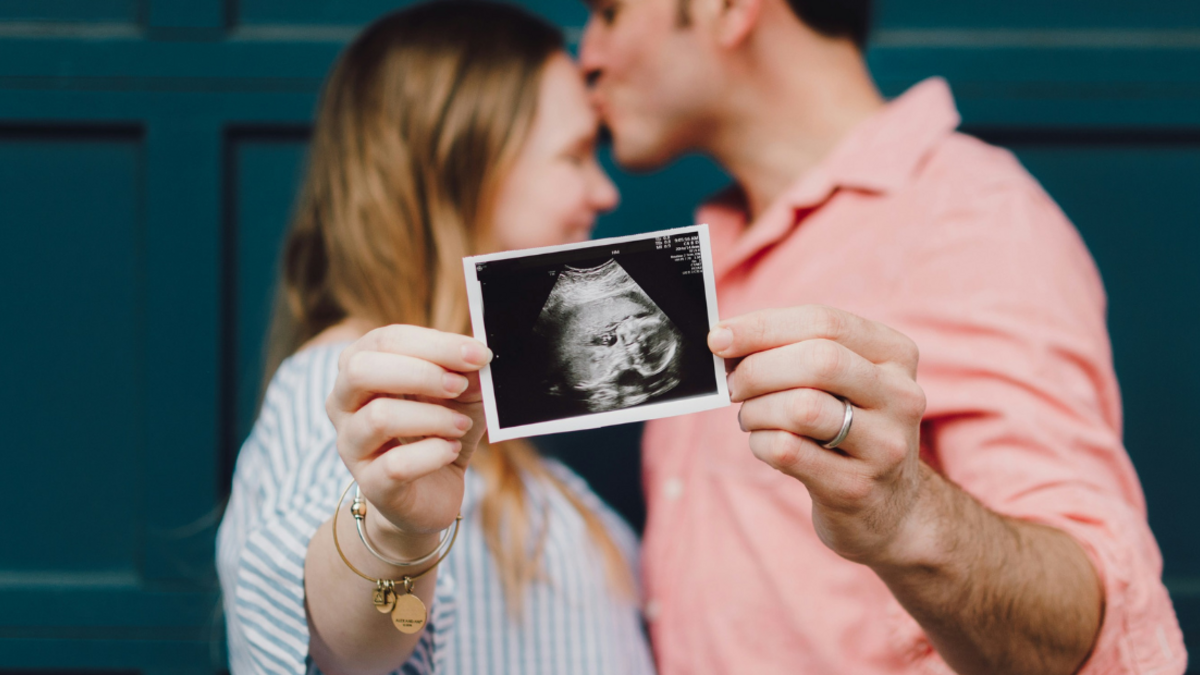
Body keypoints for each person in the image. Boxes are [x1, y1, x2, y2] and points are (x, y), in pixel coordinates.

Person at [579, 0, 1187, 673]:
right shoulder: (703, 253)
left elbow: (1085, 622)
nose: (589, 57)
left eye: (609, 12)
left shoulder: (970, 219)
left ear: (729, 9)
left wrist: (905, 515)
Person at [215, 3, 657, 674]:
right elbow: (340, 643)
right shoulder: (353, 392)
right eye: (573, 154)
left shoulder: (486, 425)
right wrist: (395, 530)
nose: (603, 192)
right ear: (458, 169)